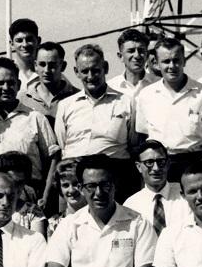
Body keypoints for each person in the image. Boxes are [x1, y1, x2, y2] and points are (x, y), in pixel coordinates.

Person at [0, 57, 60, 203]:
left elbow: (53, 161)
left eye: (11, 82)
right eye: (0, 83)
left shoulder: (35, 118)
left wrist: (45, 198)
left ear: (19, 84)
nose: (6, 88)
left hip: (27, 199)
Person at [53, 44, 139, 201]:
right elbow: (62, 142)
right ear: (76, 72)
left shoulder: (126, 102)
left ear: (105, 68)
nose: (90, 76)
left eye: (95, 70)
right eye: (84, 71)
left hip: (114, 176)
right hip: (75, 178)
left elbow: (133, 143)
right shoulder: (66, 105)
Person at [135, 37, 202, 183]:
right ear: (157, 63)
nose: (172, 66)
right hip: (160, 165)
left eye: (176, 60)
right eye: (166, 61)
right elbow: (142, 135)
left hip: (194, 163)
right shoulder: (146, 95)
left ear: (184, 61)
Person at [123, 140, 190, 235]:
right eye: (149, 162)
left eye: (161, 161)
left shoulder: (186, 195)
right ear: (138, 167)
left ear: (168, 164)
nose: (156, 168)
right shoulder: (131, 205)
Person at [25, 42, 79, 125]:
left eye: (52, 65)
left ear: (63, 66)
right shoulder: (23, 98)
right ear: (35, 65)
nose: (46, 70)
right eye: (42, 64)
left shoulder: (77, 97)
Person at [107, 28, 159, 97]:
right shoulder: (111, 88)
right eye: (131, 51)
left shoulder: (158, 85)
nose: (137, 55)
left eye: (141, 51)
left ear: (147, 55)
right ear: (120, 56)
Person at [46, 158, 86, 238]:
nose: (71, 190)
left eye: (75, 184)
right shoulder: (54, 223)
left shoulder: (97, 218)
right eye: (65, 185)